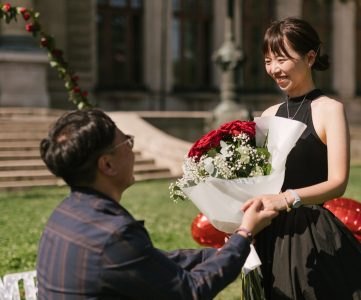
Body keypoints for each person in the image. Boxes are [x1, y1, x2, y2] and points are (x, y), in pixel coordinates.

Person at [36, 108, 278, 299]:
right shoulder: (114, 233)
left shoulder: (64, 214)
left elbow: (150, 261)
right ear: (107, 165)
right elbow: (191, 291)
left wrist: (227, 249)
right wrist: (245, 233)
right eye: (126, 142)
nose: (132, 149)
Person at [242, 17, 361, 299]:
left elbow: (338, 182)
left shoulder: (330, 109)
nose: (274, 69)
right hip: (269, 232)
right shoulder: (268, 115)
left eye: (282, 59)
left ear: (310, 57)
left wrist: (286, 198)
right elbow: (262, 181)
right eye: (268, 60)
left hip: (310, 233)